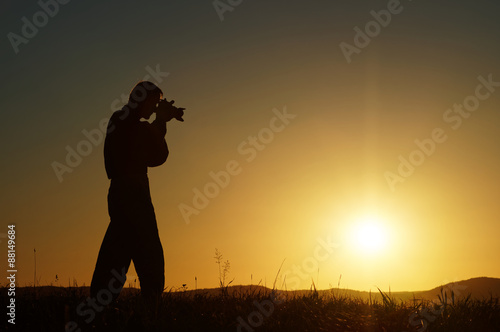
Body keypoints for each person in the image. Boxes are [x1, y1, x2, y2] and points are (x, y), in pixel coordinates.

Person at [90, 81, 184, 305]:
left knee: (118, 252)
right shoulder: (124, 121)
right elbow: (155, 154)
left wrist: (160, 120)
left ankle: (98, 308)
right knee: (149, 253)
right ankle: (149, 307)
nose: (153, 110)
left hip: (125, 193)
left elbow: (150, 149)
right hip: (131, 193)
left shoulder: (124, 121)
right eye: (153, 104)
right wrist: (161, 120)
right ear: (144, 100)